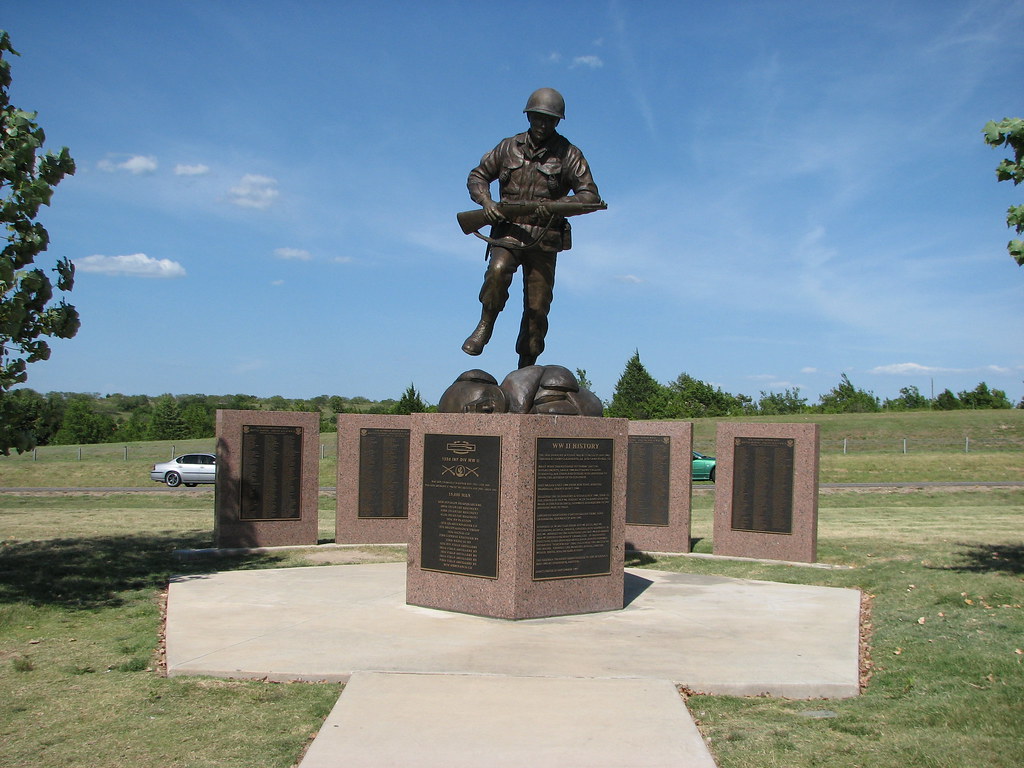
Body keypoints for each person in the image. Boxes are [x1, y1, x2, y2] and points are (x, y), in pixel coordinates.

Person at [461, 87, 602, 368]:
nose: (542, 124)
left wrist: (556, 205)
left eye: (549, 120)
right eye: (537, 118)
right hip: (508, 231)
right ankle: (485, 324)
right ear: (528, 116)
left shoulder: (569, 154)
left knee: (538, 307)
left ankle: (526, 366)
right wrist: (486, 202)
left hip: (544, 238)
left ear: (557, 121)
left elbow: (590, 196)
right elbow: (477, 176)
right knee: (497, 271)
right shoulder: (507, 147)